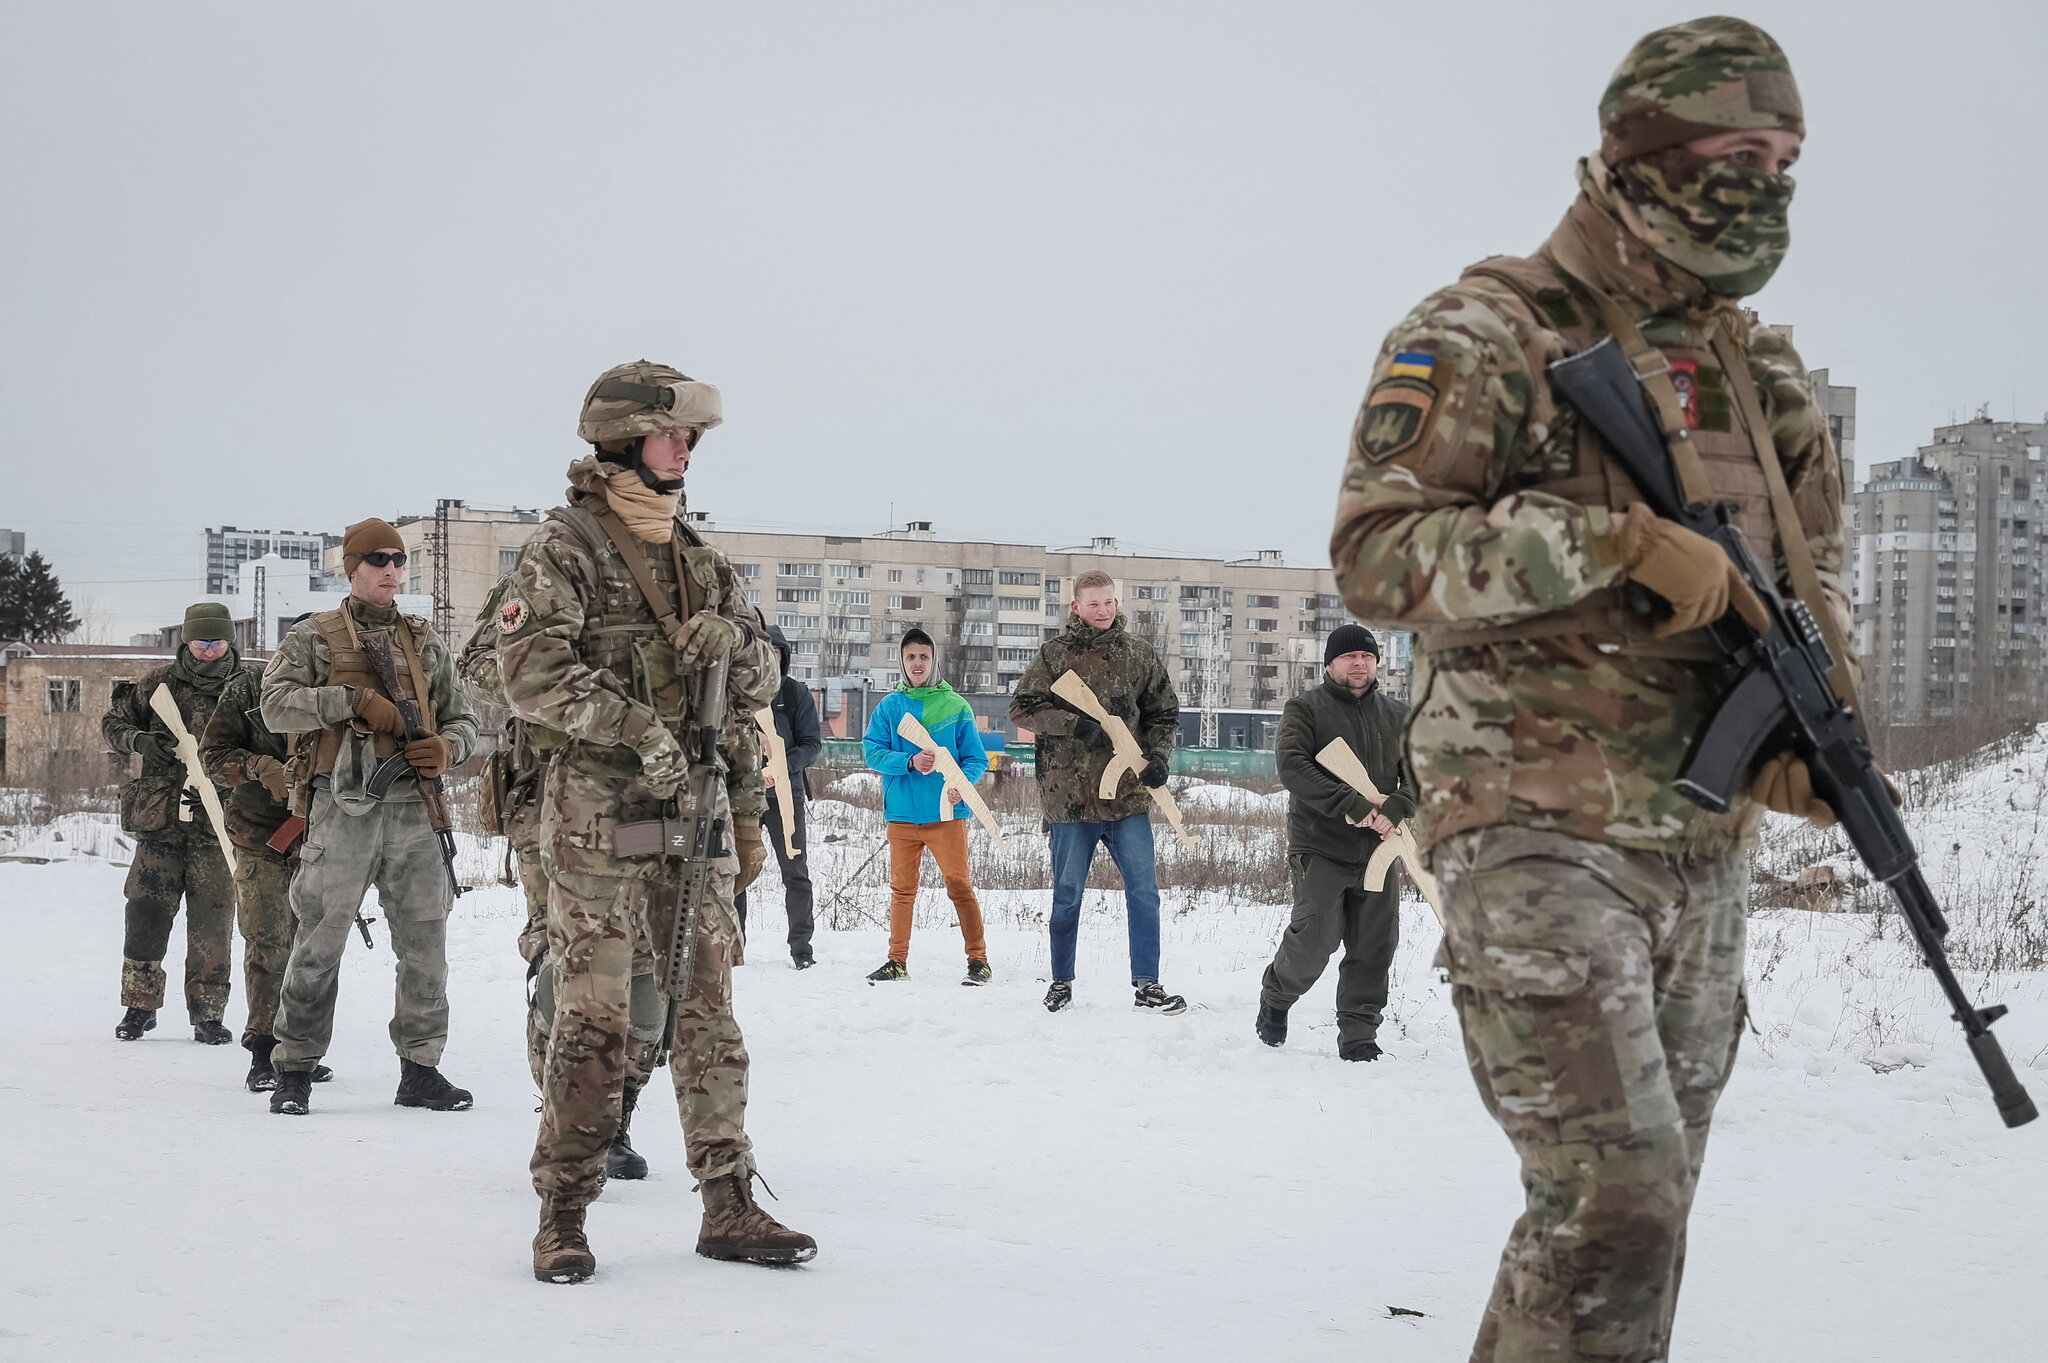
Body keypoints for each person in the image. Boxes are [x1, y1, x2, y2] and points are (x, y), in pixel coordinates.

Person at [1328, 18, 1846, 1358]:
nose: (1766, 186)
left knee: (1633, 1221)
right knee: (1615, 1197)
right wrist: (1607, 545)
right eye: (1737, 155)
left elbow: (1808, 574)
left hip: (1700, 839)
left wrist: (1805, 729)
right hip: (1531, 826)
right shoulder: (1488, 330)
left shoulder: (1760, 373)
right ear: (1644, 151)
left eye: (1784, 161)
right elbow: (1377, 554)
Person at [499, 360, 814, 1282]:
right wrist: (636, 728)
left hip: (695, 812)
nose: (686, 451)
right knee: (596, 1020)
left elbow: (764, 677)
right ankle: (563, 1211)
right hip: (598, 818)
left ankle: (728, 1199)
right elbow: (527, 671)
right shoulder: (566, 550)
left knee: (707, 1011)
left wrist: (738, 642)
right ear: (623, 438)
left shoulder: (698, 559)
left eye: (690, 437)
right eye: (673, 435)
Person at [259, 519, 479, 1118]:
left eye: (399, 559)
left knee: (425, 943)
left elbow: (463, 718)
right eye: (379, 559)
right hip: (343, 808)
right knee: (320, 940)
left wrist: (448, 748)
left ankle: (421, 1069)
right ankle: (295, 1068)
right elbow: (275, 706)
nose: (392, 570)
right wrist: (352, 701)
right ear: (352, 567)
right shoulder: (314, 637)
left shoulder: (424, 641)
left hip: (415, 808)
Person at [1010, 570, 1184, 1014]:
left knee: (1144, 892)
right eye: (1093, 604)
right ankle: (1061, 981)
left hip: (1128, 798)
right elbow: (1022, 708)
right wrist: (1074, 725)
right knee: (1067, 894)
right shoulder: (1054, 655)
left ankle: (1147, 983)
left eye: (1109, 602)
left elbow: (1164, 713)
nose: (1103, 610)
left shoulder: (1139, 654)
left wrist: (1159, 756)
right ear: (1076, 607)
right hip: (1070, 799)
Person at [1255, 625, 1415, 1062]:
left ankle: (1359, 1036)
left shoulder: (1399, 716)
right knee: (1315, 939)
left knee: (1375, 946)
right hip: (1321, 845)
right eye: (1349, 657)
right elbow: (1293, 767)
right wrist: (1350, 803)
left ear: (1377, 663)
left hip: (1380, 849)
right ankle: (1278, 995)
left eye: (1367, 657)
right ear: (1329, 663)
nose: (1359, 664)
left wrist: (1400, 804)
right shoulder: (1306, 709)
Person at [199, 613, 333, 1091]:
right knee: (268, 942)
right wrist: (257, 766)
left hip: (324, 837)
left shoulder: (341, 692)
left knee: (314, 950)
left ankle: (300, 1050)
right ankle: (263, 1050)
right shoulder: (249, 689)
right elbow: (211, 757)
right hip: (261, 837)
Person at [101, 602, 241, 1046]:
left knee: (213, 922)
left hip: (218, 825)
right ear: (186, 640)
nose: (208, 650)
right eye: (200, 642)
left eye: (216, 642)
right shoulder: (156, 684)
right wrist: (140, 740)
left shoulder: (248, 686)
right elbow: (112, 724)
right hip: (160, 824)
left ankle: (208, 1014)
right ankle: (139, 1006)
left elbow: (272, 742)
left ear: (229, 641)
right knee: (145, 912)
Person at [860, 628, 991, 985]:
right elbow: (871, 751)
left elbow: (976, 759)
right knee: (902, 890)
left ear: (934, 660)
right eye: (911, 657)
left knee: (959, 886)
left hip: (946, 814)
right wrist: (907, 761)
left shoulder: (956, 706)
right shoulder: (889, 707)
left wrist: (961, 785)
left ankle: (978, 960)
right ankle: (896, 961)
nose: (917, 663)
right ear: (902, 662)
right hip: (902, 814)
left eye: (924, 656)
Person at [736, 625, 821, 968]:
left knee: (795, 872)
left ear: (784, 656)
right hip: (744, 795)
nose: (770, 658)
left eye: (776, 652)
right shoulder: (738, 693)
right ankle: (734, 949)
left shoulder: (795, 693)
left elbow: (812, 745)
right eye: (764, 651)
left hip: (786, 795)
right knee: (737, 871)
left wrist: (781, 767)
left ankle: (802, 949)